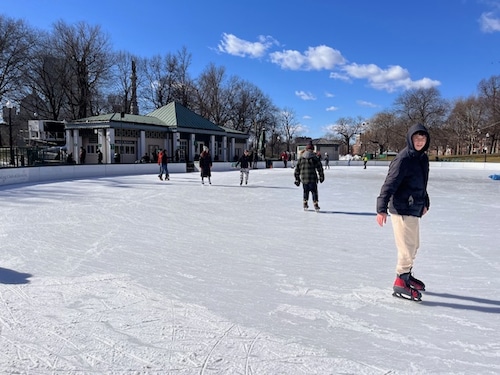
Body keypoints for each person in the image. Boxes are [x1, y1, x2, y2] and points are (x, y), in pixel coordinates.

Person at [376, 123, 430, 301]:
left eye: (422, 138)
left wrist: (425, 201)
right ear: (410, 139)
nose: (420, 141)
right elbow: (389, 183)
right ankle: (400, 281)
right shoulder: (403, 159)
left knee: (414, 245)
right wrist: (381, 208)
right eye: (416, 138)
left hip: (414, 207)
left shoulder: (422, 158)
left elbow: (421, 183)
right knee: (406, 248)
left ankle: (406, 275)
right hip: (401, 208)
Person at [294, 141, 325, 211]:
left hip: (304, 179)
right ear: (312, 149)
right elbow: (319, 168)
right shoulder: (314, 158)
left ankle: (305, 203)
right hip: (312, 178)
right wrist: (321, 176)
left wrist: (297, 179)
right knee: (314, 192)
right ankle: (316, 204)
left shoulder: (301, 158)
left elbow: (297, 169)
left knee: (305, 191)